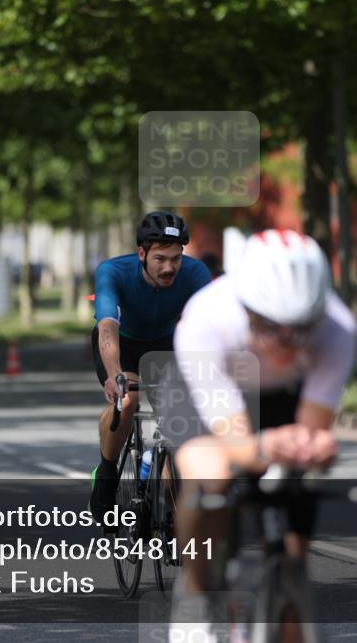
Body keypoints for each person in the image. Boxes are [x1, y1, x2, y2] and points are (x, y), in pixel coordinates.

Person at [169, 229, 357, 640]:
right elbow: (238, 443)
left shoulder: (338, 328)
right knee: (212, 476)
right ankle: (197, 593)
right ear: (246, 308)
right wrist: (264, 448)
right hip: (215, 388)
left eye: (302, 328)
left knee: (292, 536)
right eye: (272, 327)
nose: (287, 344)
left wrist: (311, 447)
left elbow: (307, 433)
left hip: (282, 396)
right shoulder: (208, 320)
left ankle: (283, 596)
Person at [89, 211, 212, 525]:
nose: (169, 267)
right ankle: (106, 476)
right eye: (160, 259)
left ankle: (163, 496)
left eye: (176, 258)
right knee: (127, 401)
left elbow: (208, 329)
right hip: (123, 344)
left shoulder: (196, 274)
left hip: (167, 344)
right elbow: (106, 328)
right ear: (141, 253)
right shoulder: (113, 272)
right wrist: (116, 375)